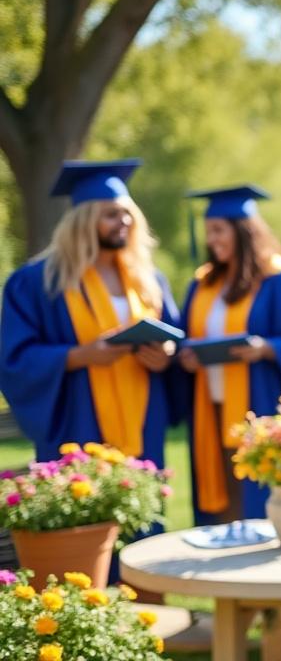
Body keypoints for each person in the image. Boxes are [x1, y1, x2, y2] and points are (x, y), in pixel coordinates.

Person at [1, 160, 179, 469]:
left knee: (143, 509)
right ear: (83, 221)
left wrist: (167, 354)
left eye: (127, 213)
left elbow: (177, 338)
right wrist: (81, 355)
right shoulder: (39, 282)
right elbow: (14, 358)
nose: (123, 221)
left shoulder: (148, 279)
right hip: (78, 418)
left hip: (143, 418)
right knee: (87, 509)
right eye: (111, 214)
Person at [177, 185, 281, 525]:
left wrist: (266, 349)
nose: (211, 240)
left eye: (219, 231)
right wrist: (185, 357)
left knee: (255, 502)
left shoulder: (279, 278)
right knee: (221, 503)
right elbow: (187, 336)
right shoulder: (203, 283)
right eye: (208, 232)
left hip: (257, 406)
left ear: (243, 231)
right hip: (209, 409)